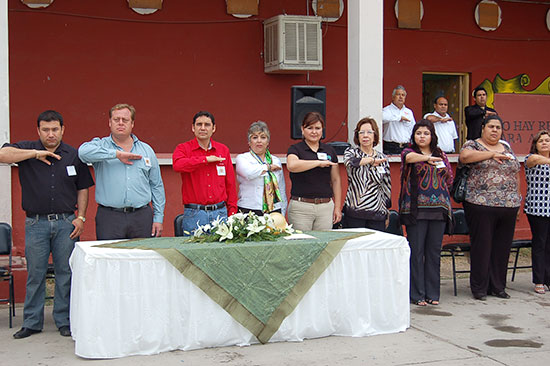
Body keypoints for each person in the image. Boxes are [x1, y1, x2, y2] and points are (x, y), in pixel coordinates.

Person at [0, 110, 94, 339]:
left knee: (65, 273)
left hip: (66, 223)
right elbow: (3, 155)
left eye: (54, 129)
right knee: (35, 274)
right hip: (36, 223)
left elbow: (83, 187)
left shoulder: (73, 155)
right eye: (45, 129)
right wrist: (34, 154)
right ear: (38, 130)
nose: (50, 134)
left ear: (63, 129)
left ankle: (64, 320)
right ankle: (32, 322)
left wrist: (80, 217)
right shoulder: (25, 149)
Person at [79, 104, 165, 240]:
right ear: (109, 122)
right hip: (110, 217)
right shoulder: (100, 145)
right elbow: (82, 152)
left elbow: (156, 186)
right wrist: (116, 154)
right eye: (116, 119)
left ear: (132, 124)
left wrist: (158, 218)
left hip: (141, 217)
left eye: (125, 120)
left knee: (141, 259)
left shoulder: (146, 150)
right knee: (110, 259)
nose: (120, 123)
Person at [459, 115, 521, 301]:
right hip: (480, 204)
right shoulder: (473, 145)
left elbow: (516, 172)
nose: (495, 130)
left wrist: (517, 199)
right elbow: (465, 157)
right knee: (482, 247)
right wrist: (491, 154)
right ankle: (479, 287)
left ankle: (498, 286)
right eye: (491, 127)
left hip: (508, 206)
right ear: (483, 128)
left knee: (502, 248)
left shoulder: (507, 147)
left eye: (498, 127)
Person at [399, 120, 453, 306]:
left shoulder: (441, 154)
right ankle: (417, 294)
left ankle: (433, 293)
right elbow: (409, 159)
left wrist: (442, 168)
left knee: (433, 253)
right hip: (416, 210)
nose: (422, 136)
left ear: (432, 136)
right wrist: (426, 159)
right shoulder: (408, 152)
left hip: (438, 210)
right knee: (417, 252)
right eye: (418, 133)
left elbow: (450, 178)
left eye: (426, 133)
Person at [172, 111, 238, 234]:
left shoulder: (223, 150)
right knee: (192, 252)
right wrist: (205, 159)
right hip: (194, 214)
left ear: (214, 128)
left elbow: (230, 184)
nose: (203, 128)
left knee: (220, 252)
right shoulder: (183, 148)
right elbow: (178, 165)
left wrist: (232, 212)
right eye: (199, 124)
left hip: (220, 213)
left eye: (207, 125)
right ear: (193, 128)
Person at [286, 112, 341, 230]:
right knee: (301, 246)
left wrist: (337, 207)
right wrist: (318, 163)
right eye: (310, 128)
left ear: (322, 130)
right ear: (302, 129)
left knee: (324, 245)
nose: (314, 132)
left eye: (318, 128)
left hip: (325, 207)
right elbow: (292, 165)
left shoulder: (329, 150)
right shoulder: (295, 149)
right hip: (301, 208)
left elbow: (336, 180)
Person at [343, 117, 391, 231]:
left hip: (377, 212)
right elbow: (351, 163)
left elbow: (386, 185)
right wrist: (371, 160)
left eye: (369, 132)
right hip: (355, 211)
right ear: (357, 135)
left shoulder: (382, 158)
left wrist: (387, 210)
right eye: (362, 132)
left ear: (375, 135)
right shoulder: (351, 153)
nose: (365, 135)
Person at [235, 121, 287, 216]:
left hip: (274, 209)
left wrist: (282, 212)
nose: (259, 141)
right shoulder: (242, 158)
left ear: (267, 142)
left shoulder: (275, 160)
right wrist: (268, 167)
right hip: (249, 209)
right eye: (255, 137)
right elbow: (249, 173)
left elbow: (281, 188)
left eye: (263, 137)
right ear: (249, 142)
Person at [524, 130, 550, 294]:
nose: (545, 143)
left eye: (547, 140)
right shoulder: (531, 159)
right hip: (538, 207)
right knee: (540, 243)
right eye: (541, 141)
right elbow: (535, 159)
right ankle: (539, 280)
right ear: (535, 144)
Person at [382, 85, 416, 155]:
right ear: (393, 97)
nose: (401, 97)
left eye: (403, 95)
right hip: (391, 146)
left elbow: (413, 128)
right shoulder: (386, 110)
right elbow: (383, 118)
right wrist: (399, 118)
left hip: (406, 146)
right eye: (398, 94)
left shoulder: (409, 112)